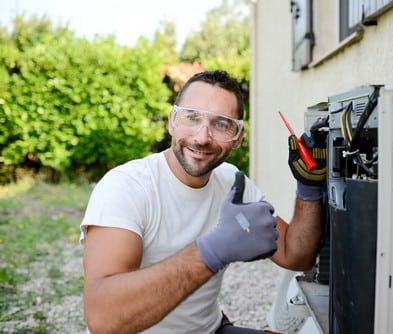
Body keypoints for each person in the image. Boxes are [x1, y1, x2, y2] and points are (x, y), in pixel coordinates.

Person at [80, 70, 326, 333]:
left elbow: (296, 255)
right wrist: (211, 251)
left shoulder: (232, 182)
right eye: (192, 118)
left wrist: (308, 187)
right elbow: (102, 319)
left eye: (221, 124)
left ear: (238, 137)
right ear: (171, 122)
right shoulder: (126, 187)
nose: (202, 137)